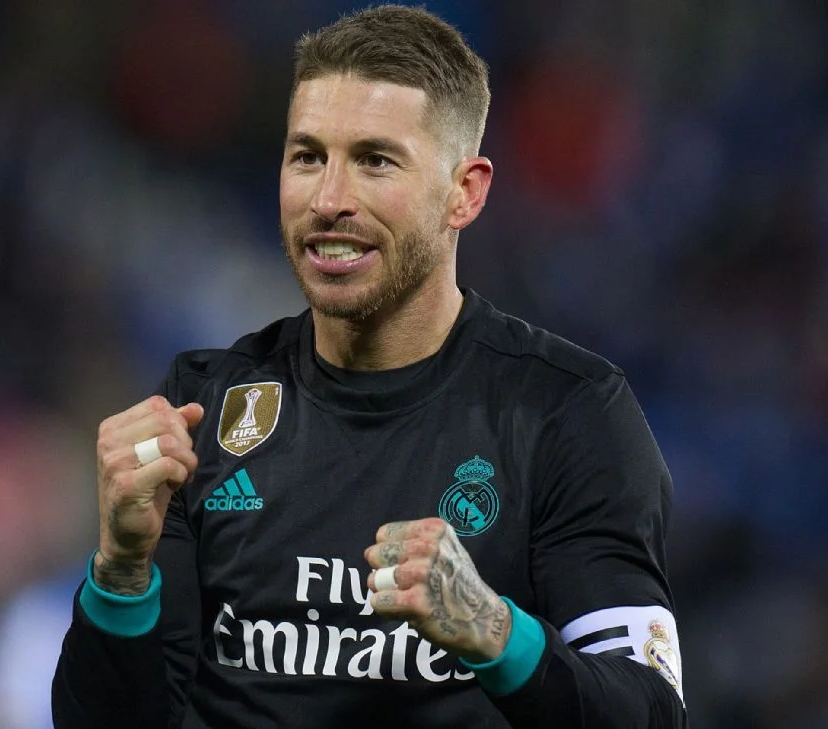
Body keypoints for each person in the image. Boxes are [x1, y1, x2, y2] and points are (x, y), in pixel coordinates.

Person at [53, 5, 687, 727]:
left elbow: (648, 714)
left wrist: (498, 633)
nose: (328, 200)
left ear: (465, 192)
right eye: (307, 157)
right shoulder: (203, 406)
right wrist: (120, 573)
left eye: (375, 160)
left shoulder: (567, 413)